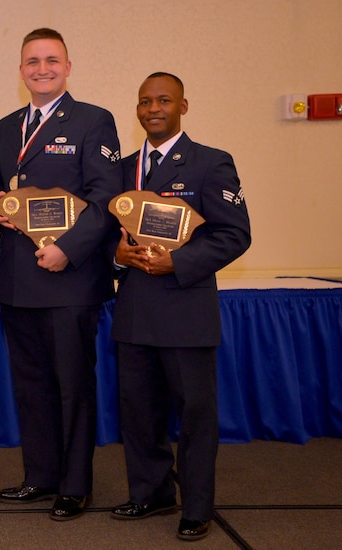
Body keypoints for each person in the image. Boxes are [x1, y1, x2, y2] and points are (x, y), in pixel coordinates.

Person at [109, 72, 251, 541]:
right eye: (145, 101)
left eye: (164, 100)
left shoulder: (211, 164)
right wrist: (116, 254)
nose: (153, 108)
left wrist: (178, 261)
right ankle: (150, 494)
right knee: (138, 413)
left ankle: (196, 506)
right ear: (137, 109)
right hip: (133, 313)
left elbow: (235, 234)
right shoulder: (123, 168)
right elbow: (107, 232)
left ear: (183, 107)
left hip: (186, 312)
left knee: (194, 416)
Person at [0, 28, 123, 521]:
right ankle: (40, 476)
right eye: (32, 61)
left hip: (69, 279)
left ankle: (75, 485)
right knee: (31, 384)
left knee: (72, 385)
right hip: (18, 279)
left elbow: (106, 198)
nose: (41, 69)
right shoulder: (7, 126)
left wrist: (67, 250)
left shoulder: (92, 121)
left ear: (68, 67)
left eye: (50, 60)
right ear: (21, 69)